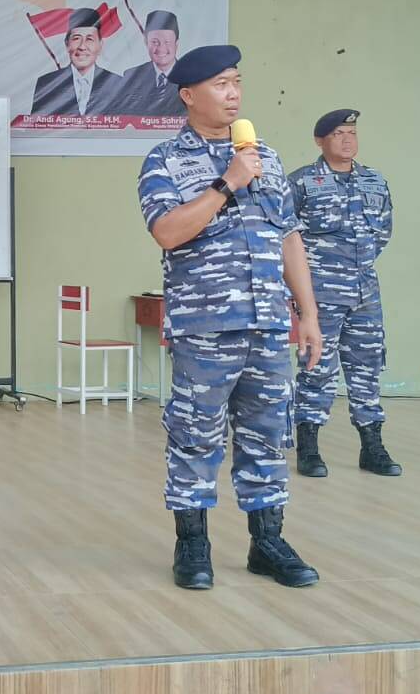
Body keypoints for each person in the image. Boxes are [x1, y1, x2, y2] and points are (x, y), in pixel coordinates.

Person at [137, 45, 325, 590]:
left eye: (237, 82)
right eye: (221, 84)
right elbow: (168, 232)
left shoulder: (264, 155)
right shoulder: (165, 161)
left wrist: (307, 315)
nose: (234, 93)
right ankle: (192, 545)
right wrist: (227, 184)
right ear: (189, 95)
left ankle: (268, 542)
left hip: (268, 325)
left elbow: (289, 238)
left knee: (268, 437)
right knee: (196, 438)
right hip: (205, 329)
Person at [288, 109, 400, 478]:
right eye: (339, 133)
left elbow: (381, 233)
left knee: (367, 368)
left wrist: (354, 267)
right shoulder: (302, 183)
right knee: (316, 368)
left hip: (365, 293)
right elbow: (286, 240)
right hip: (319, 295)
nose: (348, 139)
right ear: (321, 140)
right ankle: (308, 447)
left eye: (352, 132)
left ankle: (372, 447)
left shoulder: (374, 182)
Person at [30, 9, 124, 115]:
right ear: (67, 44)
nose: (82, 46)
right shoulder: (47, 83)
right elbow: (36, 125)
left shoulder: (117, 83)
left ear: (100, 45)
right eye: (76, 38)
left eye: (89, 39)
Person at [111, 10, 183, 116]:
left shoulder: (190, 77)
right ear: (146, 42)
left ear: (176, 44)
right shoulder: (132, 76)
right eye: (154, 42)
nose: (161, 48)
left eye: (167, 42)